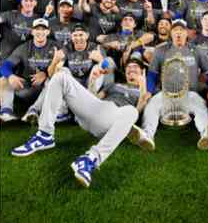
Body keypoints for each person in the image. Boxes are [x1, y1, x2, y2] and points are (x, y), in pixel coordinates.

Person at [10, 50, 141, 188]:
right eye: (129, 68)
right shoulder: (113, 85)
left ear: (143, 71)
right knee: (61, 76)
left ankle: (89, 159)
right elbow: (94, 99)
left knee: (132, 112)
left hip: (114, 118)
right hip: (98, 110)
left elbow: (141, 108)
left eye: (135, 68)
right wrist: (93, 82)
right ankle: (45, 134)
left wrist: (143, 86)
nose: (131, 70)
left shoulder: (146, 92)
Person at [134, 19, 208, 150]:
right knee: (151, 107)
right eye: (175, 30)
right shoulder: (160, 50)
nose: (179, 33)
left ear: (187, 34)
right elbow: (152, 74)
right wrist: (149, 91)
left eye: (182, 30)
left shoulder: (196, 50)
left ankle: (206, 135)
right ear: (171, 34)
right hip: (166, 93)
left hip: (189, 93)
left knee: (201, 108)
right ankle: (147, 136)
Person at [0, 18, 61, 121]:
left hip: (47, 90)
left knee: (56, 77)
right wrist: (11, 76)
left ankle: (34, 110)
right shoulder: (24, 47)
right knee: (4, 79)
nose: (40, 32)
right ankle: (6, 112)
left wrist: (45, 73)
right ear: (32, 32)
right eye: (37, 29)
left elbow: (63, 66)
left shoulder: (56, 46)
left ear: (48, 31)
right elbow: (5, 65)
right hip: (26, 87)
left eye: (43, 29)